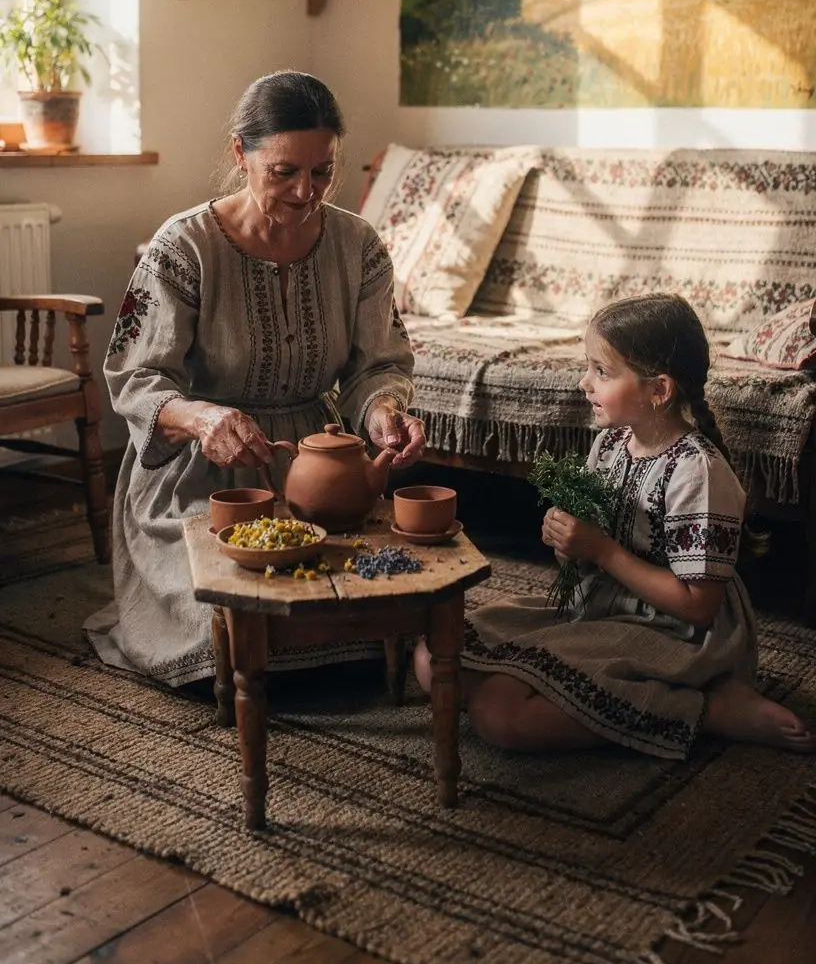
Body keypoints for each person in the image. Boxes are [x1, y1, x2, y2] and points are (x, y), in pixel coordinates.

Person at [86, 71, 425, 686]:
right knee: (222, 625)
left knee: (381, 599)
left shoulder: (359, 245)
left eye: (321, 172)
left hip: (311, 468)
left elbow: (378, 364)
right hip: (200, 478)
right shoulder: (183, 247)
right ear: (240, 154)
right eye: (284, 172)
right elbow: (134, 378)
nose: (305, 192)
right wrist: (202, 417)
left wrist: (381, 413)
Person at [415, 294, 815, 758]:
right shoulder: (609, 445)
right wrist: (568, 542)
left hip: (675, 633)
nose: (585, 382)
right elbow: (588, 550)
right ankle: (585, 688)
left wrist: (602, 550)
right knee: (433, 659)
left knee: (499, 716)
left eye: (602, 371)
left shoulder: (697, 473)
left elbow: (698, 607)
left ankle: (708, 708)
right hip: (599, 608)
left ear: (658, 390)